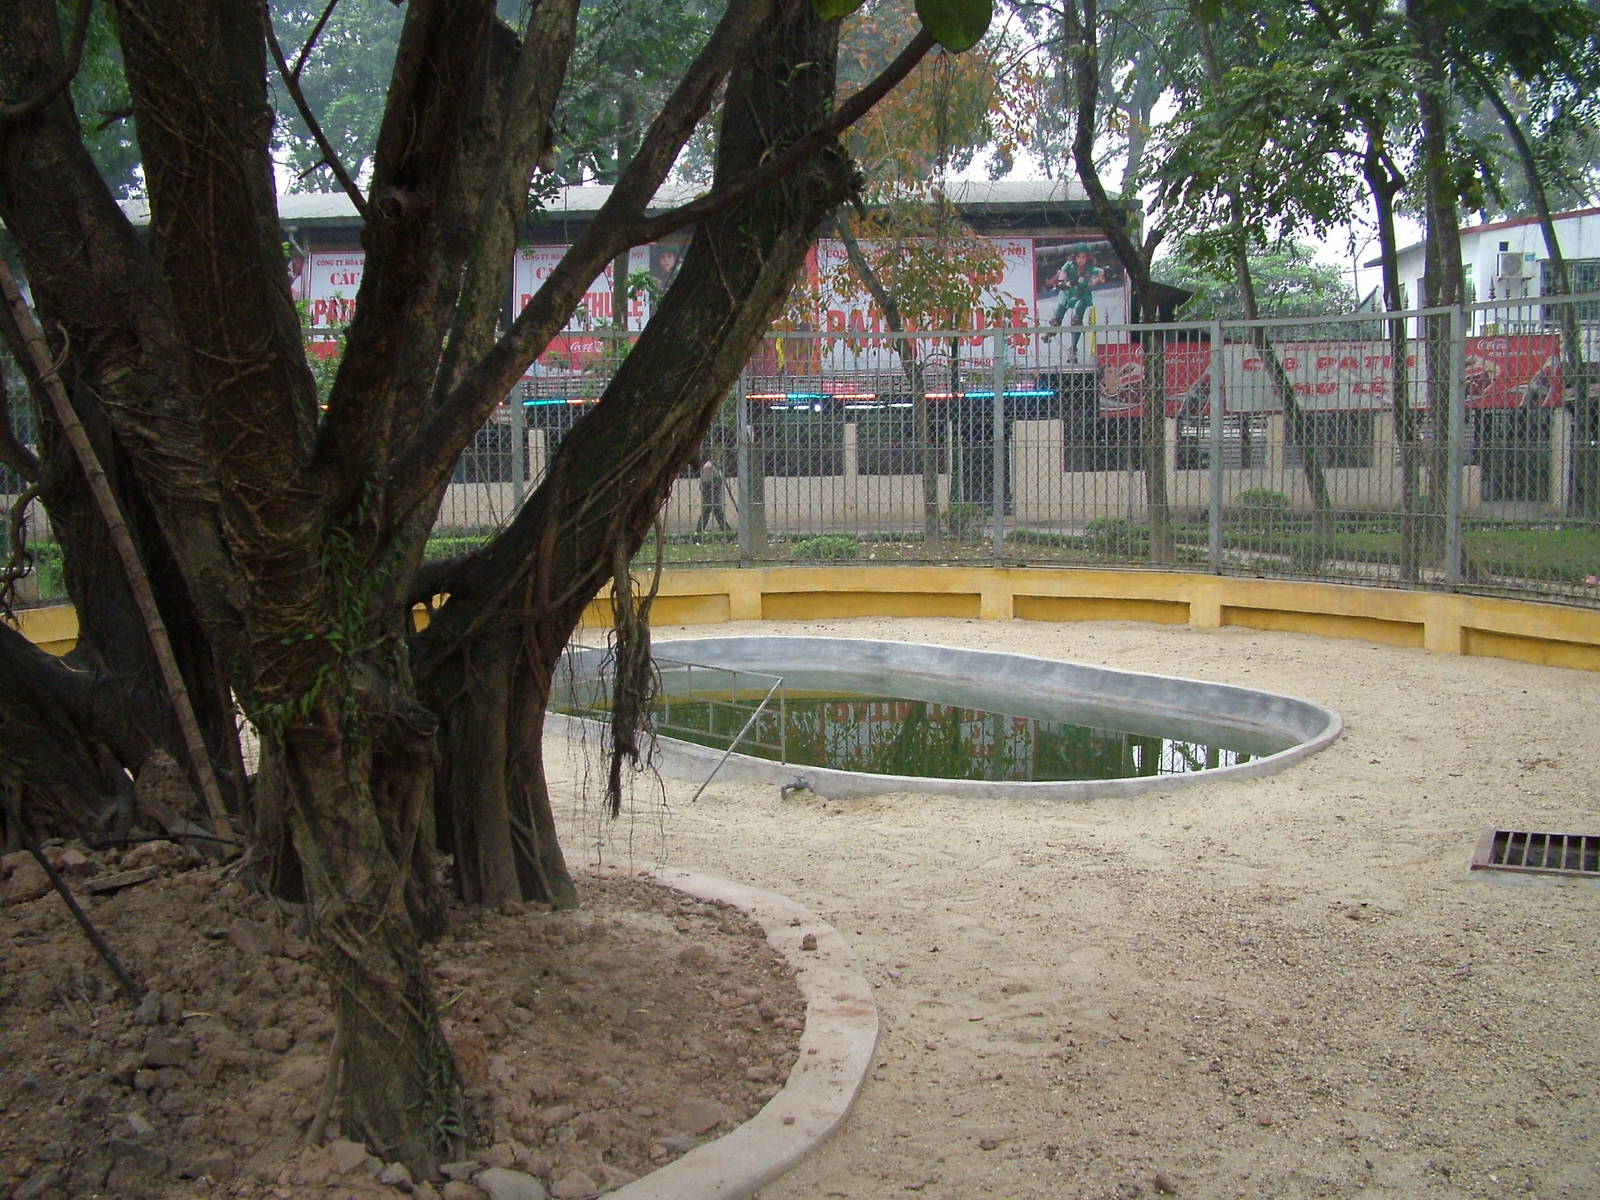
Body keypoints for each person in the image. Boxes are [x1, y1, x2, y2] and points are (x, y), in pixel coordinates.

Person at [1043, 244, 1107, 362]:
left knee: (1076, 318)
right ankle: (1050, 333)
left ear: (1087, 258)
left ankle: (1073, 349)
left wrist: (1096, 280)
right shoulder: (1068, 266)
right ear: (1075, 257)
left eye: (1083, 257)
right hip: (1068, 294)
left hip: (1082, 295)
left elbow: (1100, 274)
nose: (1081, 260)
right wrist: (1068, 283)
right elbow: (1060, 283)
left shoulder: (1091, 269)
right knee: (1057, 318)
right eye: (1078, 257)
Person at [698, 458, 729, 533]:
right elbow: (708, 483)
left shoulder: (710, 467)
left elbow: (707, 483)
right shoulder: (709, 466)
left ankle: (699, 529)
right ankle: (725, 527)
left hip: (711, 492)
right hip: (712, 492)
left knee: (710, 511)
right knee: (714, 510)